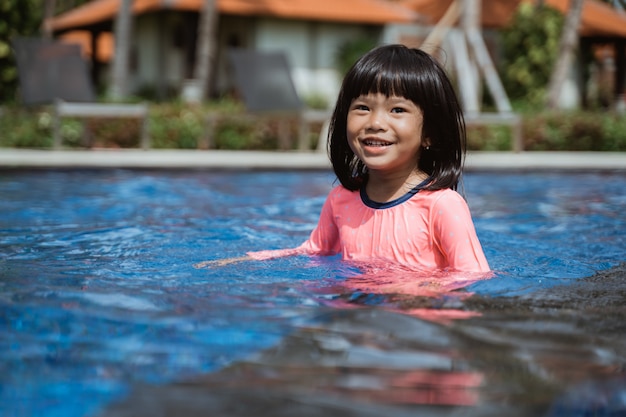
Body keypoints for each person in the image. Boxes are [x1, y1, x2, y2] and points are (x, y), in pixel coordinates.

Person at [195, 44, 489, 273]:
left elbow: (471, 277)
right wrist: (244, 261)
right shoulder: (341, 199)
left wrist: (427, 291)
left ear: (430, 134)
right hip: (355, 319)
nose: (375, 122)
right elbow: (311, 251)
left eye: (397, 110)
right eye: (362, 107)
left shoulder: (441, 206)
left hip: (418, 328)